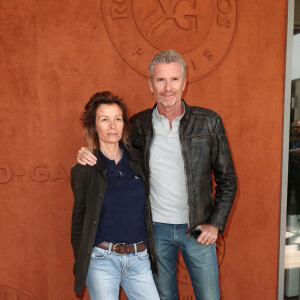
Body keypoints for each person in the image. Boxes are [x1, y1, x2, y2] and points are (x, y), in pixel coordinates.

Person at [77, 50, 237, 300]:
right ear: (150, 85)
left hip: (197, 229)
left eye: (174, 79)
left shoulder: (209, 122)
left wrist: (215, 223)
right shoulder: (138, 125)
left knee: (209, 297)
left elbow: (228, 179)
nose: (167, 88)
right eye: (160, 80)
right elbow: (112, 146)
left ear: (184, 82)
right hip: (155, 231)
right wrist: (87, 152)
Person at [71, 91, 160, 300]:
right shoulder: (84, 169)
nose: (112, 125)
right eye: (104, 119)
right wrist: (84, 259)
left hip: (139, 259)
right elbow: (78, 222)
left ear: (123, 124)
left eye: (117, 119)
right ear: (94, 126)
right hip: (101, 260)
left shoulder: (139, 159)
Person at [287, 120, 300, 215]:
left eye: (298, 127)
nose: (295, 129)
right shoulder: (286, 142)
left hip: (298, 174)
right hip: (288, 173)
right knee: (286, 196)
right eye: (293, 127)